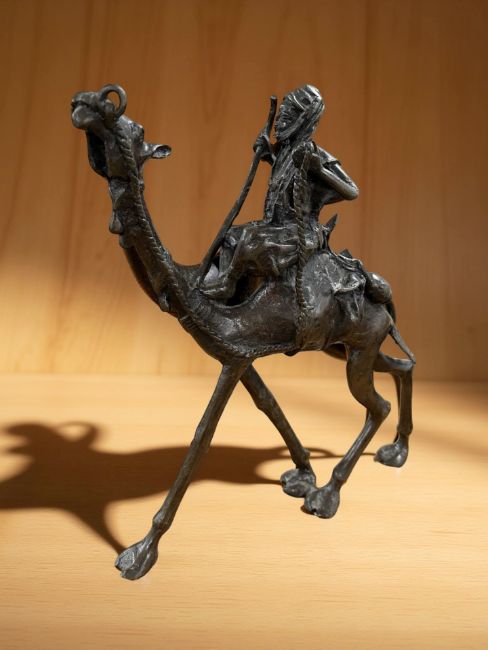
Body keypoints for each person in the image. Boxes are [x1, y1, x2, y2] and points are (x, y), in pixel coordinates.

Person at [202, 85, 359, 300]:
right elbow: (285, 174)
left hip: (300, 231)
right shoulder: (285, 151)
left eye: (287, 116)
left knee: (248, 243)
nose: (279, 122)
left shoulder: (315, 154)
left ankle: (227, 284)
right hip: (274, 225)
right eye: (280, 116)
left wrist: (320, 170)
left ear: (303, 120)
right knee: (230, 236)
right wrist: (268, 154)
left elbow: (352, 191)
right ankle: (234, 292)